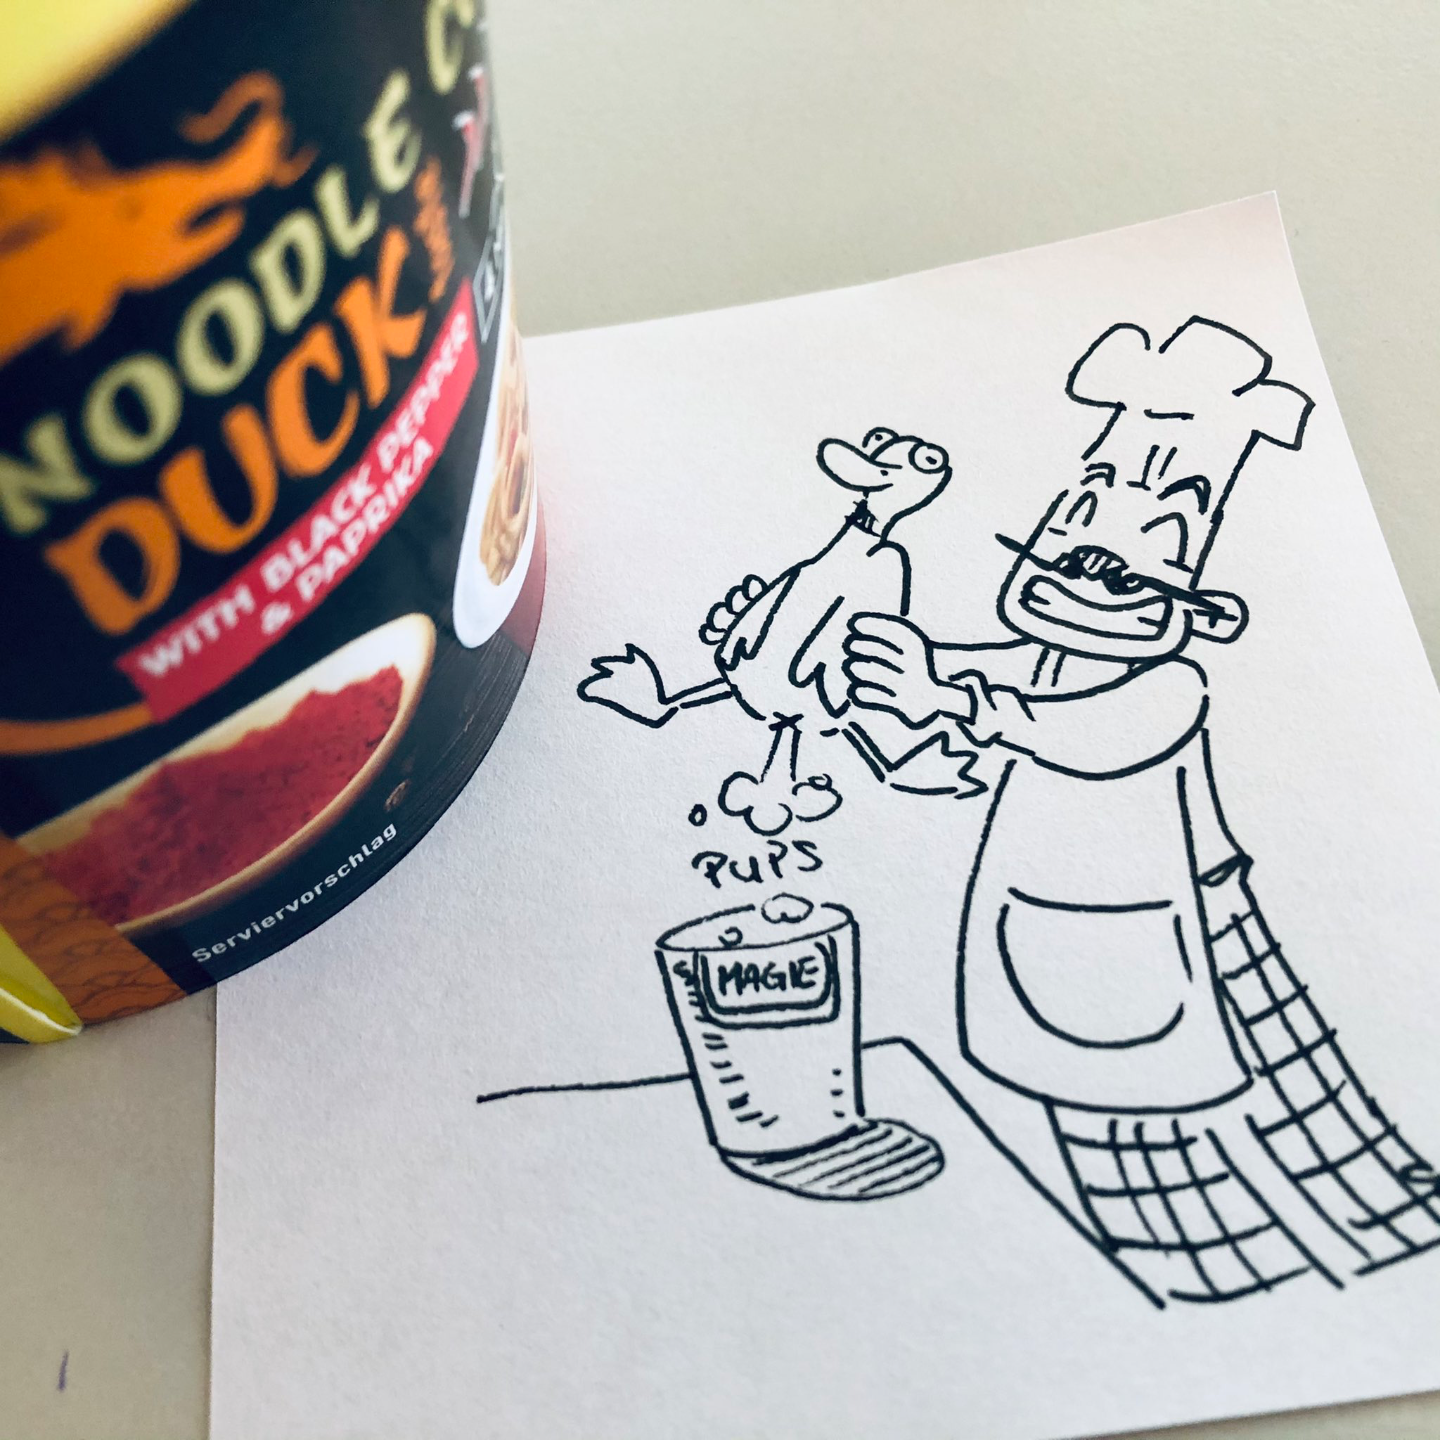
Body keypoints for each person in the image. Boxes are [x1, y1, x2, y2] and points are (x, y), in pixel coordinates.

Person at [843, 316, 1440, 1303]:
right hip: (1059, 926)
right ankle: (1206, 1268)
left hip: (1193, 915)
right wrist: (902, 671)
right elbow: (983, 687)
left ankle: (1378, 1222)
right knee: (1119, 1114)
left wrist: (952, 699)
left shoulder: (1170, 685)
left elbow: (1085, 733)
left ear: (1193, 603)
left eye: (1123, 571)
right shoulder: (1038, 661)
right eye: (1063, 542)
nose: (1070, 579)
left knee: (1283, 1091)